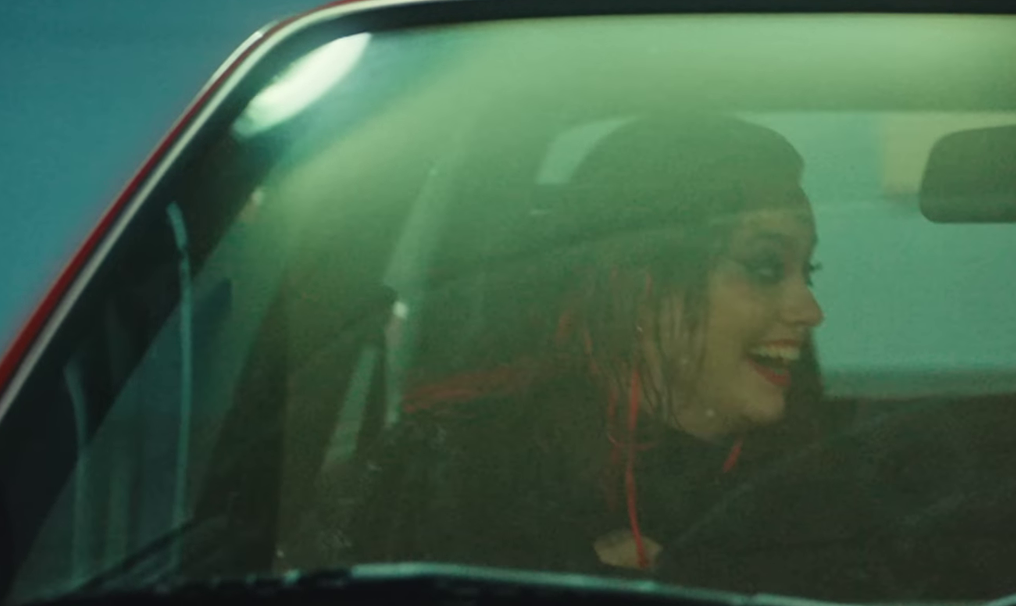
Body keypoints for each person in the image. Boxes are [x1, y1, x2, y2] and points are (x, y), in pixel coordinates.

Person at [351, 113, 828, 576]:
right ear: (637, 285)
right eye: (766, 267)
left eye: (807, 273)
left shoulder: (830, 488)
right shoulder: (458, 478)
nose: (810, 310)